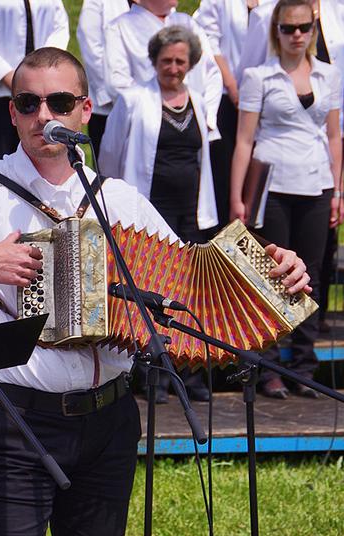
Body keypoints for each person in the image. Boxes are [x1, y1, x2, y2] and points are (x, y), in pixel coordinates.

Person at [0, 47, 310, 536]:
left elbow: (192, 282)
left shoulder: (115, 199)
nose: (44, 114)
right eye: (28, 102)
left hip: (110, 423)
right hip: (18, 423)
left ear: (86, 111)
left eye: (60, 102)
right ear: (13, 114)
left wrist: (275, 274)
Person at [231, 0, 342, 399]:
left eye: (303, 28)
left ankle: (304, 364)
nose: (296, 36)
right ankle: (270, 365)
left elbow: (333, 136)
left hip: (316, 182)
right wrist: (237, 198)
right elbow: (244, 141)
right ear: (275, 31)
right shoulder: (259, 76)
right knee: (272, 273)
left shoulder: (329, 75)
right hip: (272, 184)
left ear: (314, 29)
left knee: (311, 273)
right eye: (288, 28)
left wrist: (337, 189)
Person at [100, 26, 217, 402]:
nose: (173, 67)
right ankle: (153, 378)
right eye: (166, 60)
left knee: (191, 293)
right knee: (152, 293)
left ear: (191, 63)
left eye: (180, 61)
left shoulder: (198, 99)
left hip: (192, 212)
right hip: (148, 213)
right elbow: (110, 154)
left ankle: (191, 373)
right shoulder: (133, 100)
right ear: (153, 61)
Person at [0, 0, 70, 167]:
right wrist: (9, 76)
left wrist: (43, 71)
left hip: (41, 93)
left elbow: (60, 26)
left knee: (42, 161)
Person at [104, 0, 224, 142]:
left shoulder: (188, 23)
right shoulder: (119, 28)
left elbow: (212, 74)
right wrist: (158, 116)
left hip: (196, 126)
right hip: (147, 131)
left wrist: (207, 118)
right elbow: (117, 83)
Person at [193, 0, 254, 229]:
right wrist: (233, 86)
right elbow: (209, 41)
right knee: (225, 176)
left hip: (262, 98)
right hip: (227, 99)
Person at [76, 0, 131, 155]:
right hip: (106, 106)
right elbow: (90, 44)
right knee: (107, 169)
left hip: (146, 103)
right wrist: (108, 92)